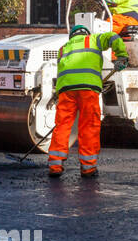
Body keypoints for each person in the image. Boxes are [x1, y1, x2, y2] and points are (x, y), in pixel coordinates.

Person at [48, 24, 128, 179]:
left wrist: (59, 92)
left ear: (72, 36)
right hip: (88, 90)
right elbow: (114, 37)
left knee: (62, 125)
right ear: (86, 33)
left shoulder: (63, 48)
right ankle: (88, 168)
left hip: (66, 90)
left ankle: (55, 165)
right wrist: (121, 55)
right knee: (88, 125)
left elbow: (61, 71)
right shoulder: (94, 39)